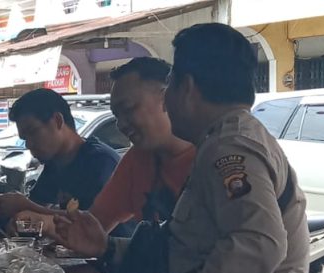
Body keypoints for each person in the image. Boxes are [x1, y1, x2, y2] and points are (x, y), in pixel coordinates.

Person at [56, 23, 309, 273]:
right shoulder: (221, 140)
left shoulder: (231, 148)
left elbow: (259, 241)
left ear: (186, 87)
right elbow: (182, 246)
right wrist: (106, 247)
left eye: (169, 86)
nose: (167, 100)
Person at [16, 57, 195, 240]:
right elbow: (93, 227)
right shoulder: (137, 160)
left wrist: (37, 215)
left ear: (168, 97)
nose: (121, 125)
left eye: (128, 109)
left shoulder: (207, 160)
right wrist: (39, 222)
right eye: (117, 116)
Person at [0, 88, 121, 229]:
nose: (29, 144)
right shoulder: (55, 163)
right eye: (24, 138)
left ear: (57, 121)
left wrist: (26, 206)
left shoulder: (100, 162)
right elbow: (38, 205)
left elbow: (92, 226)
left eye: (33, 132)